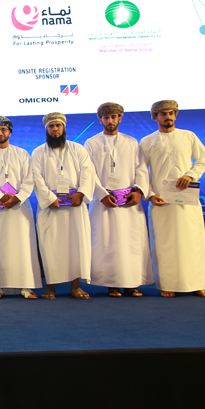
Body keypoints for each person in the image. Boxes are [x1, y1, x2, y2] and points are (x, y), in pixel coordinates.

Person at [140, 100, 205, 297]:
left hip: (187, 200)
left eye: (171, 113)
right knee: (165, 243)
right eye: (163, 114)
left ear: (176, 115)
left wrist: (190, 175)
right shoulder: (147, 141)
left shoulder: (188, 136)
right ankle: (168, 284)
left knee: (193, 240)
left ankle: (198, 284)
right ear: (155, 117)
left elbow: (203, 159)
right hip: (161, 201)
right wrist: (150, 195)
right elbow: (141, 171)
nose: (168, 117)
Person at [85, 103, 153, 297]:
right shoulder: (91, 143)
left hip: (129, 203)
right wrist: (102, 194)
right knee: (107, 243)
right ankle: (112, 284)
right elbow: (88, 172)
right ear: (100, 120)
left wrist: (139, 191)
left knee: (131, 242)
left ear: (120, 118)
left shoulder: (131, 142)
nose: (110, 121)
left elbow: (141, 169)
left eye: (114, 117)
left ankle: (132, 283)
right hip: (104, 203)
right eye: (106, 117)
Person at [30, 112, 95, 299]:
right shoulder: (38, 152)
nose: (55, 129)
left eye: (58, 126)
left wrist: (81, 193)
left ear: (64, 127)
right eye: (51, 126)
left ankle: (75, 287)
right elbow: (36, 178)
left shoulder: (78, 149)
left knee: (76, 245)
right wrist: (49, 198)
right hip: (51, 208)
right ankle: (50, 287)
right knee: (50, 246)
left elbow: (88, 173)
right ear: (46, 129)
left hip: (75, 206)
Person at [0, 116, 41, 299]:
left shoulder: (22, 154)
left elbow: (30, 179)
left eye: (3, 129)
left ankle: (26, 286)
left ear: (10, 132)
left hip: (19, 208)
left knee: (22, 245)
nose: (0, 133)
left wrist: (18, 198)